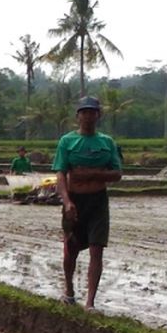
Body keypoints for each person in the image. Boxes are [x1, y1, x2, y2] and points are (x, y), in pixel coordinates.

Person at [52, 96, 122, 309]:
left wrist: (91, 174)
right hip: (75, 200)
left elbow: (117, 173)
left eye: (92, 112)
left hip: (98, 201)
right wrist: (66, 202)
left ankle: (90, 301)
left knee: (96, 249)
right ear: (78, 116)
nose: (88, 116)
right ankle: (69, 289)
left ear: (98, 115)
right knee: (70, 248)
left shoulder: (107, 143)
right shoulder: (67, 142)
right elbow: (61, 174)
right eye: (84, 112)